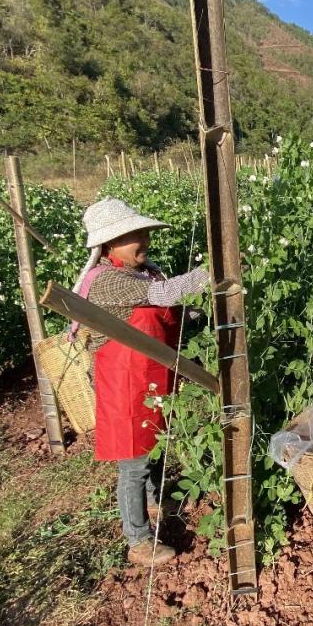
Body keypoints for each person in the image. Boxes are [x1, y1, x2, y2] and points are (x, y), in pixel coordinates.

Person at [71, 199, 209, 567]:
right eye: (136, 235)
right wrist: (213, 272)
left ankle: (155, 498)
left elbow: (168, 307)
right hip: (122, 384)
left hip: (150, 376)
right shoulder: (108, 282)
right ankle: (138, 538)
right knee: (133, 462)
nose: (145, 239)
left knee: (156, 445)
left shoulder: (145, 271)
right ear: (110, 243)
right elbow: (163, 297)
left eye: (144, 232)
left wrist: (198, 312)